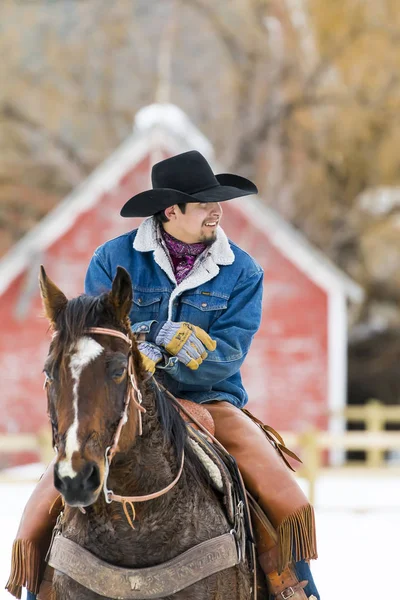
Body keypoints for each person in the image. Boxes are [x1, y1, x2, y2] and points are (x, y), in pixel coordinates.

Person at [7, 151, 319, 600]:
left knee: (285, 498)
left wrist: (174, 360)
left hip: (209, 400)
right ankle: (38, 586)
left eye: (219, 202)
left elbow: (230, 353)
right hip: (121, 398)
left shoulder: (242, 270)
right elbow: (97, 337)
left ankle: (295, 587)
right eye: (205, 203)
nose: (217, 211)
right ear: (171, 211)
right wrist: (146, 345)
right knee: (44, 502)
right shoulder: (112, 257)